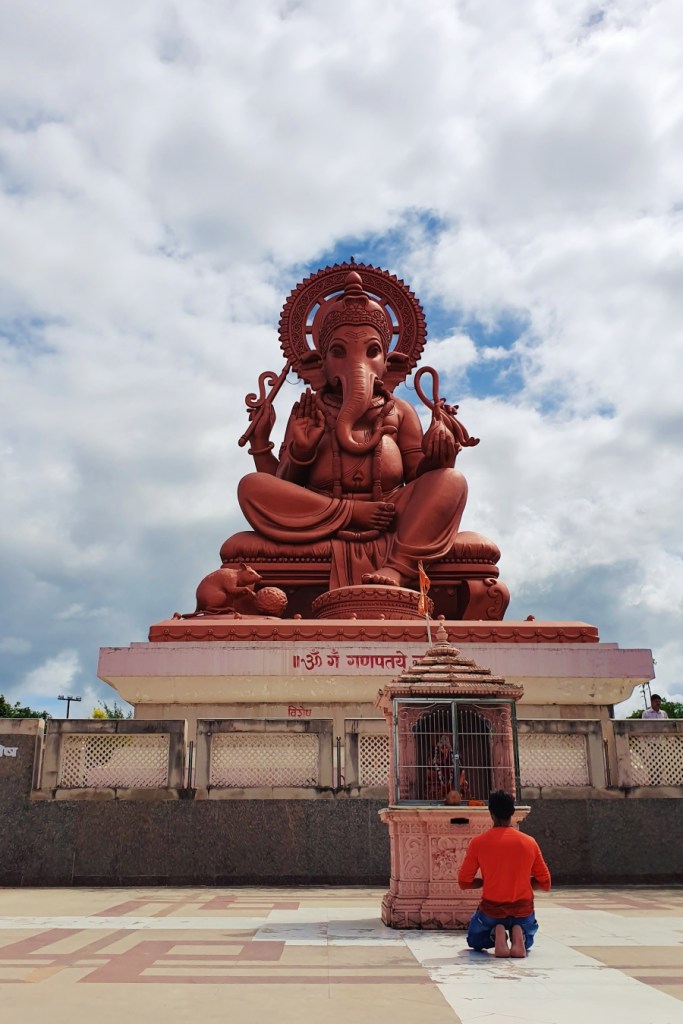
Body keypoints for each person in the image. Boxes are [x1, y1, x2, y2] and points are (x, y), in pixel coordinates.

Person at [458, 790, 551, 958]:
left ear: (491, 814)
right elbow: (545, 883)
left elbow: (464, 882)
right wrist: (523, 882)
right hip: (523, 912)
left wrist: (484, 882)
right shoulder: (529, 842)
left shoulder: (478, 843)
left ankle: (495, 934)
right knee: (529, 941)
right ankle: (520, 934)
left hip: (491, 912)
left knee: (475, 940)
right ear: (513, 812)